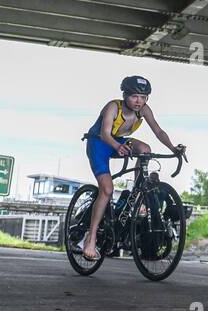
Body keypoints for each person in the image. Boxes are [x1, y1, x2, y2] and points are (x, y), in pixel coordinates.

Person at [78, 75, 184, 262]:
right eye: (135, 96)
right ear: (125, 95)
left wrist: (173, 148)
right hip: (99, 143)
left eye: (143, 98)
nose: (139, 101)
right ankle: (91, 238)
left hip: (119, 141)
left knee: (145, 150)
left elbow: (158, 131)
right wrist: (118, 147)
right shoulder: (113, 107)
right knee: (107, 189)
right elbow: (104, 133)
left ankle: (138, 190)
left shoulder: (144, 110)